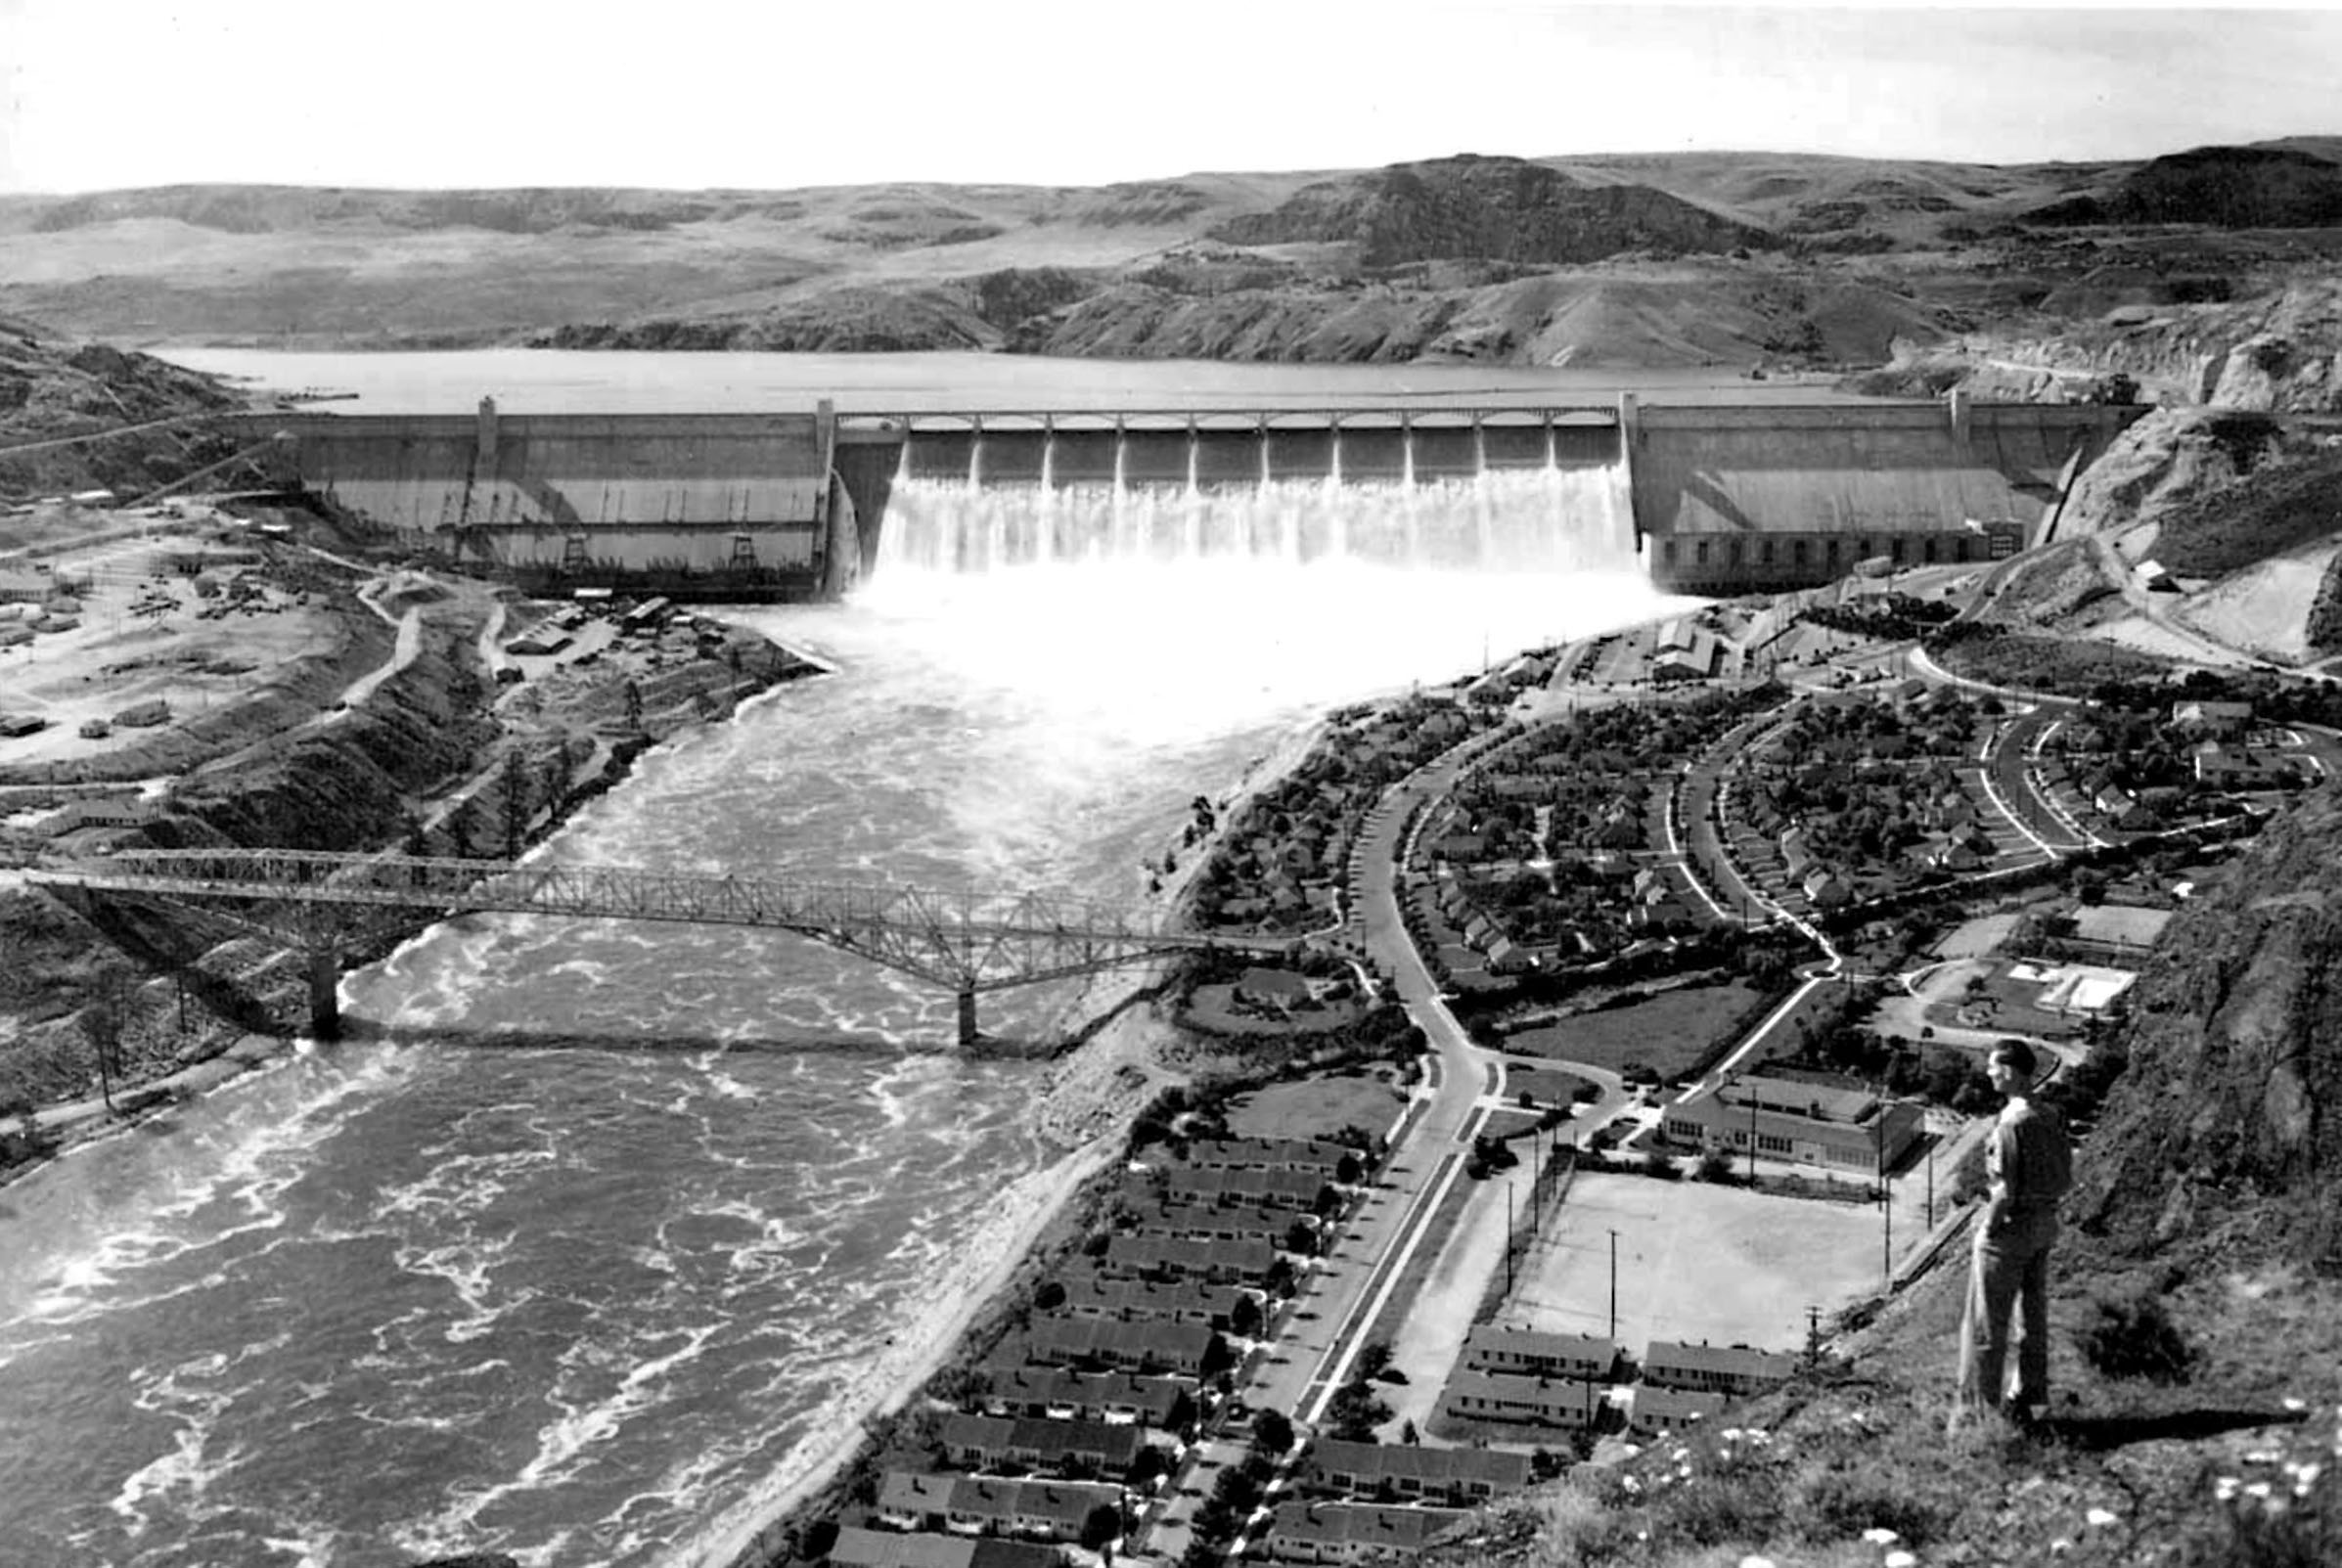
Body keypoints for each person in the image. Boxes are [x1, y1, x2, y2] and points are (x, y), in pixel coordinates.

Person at [1955, 1039, 2073, 1429]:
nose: (1988, 1073)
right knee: (2033, 1318)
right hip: (2044, 1223)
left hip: (2010, 1229)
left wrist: (1988, 1228)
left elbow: (2003, 1190)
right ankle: (2030, 1401)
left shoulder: (2011, 1122)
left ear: (2009, 1070)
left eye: (1993, 1066)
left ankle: (1977, 1416)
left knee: (1987, 1324)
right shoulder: (2050, 1114)